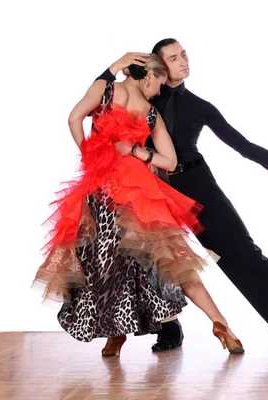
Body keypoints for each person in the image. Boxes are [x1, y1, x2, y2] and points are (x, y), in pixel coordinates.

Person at [95, 39, 268, 351]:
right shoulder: (140, 92)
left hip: (194, 184)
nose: (183, 61)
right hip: (149, 187)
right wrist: (113, 67)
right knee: (150, 260)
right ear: (158, 67)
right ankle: (169, 330)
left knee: (244, 254)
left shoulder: (200, 107)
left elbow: (243, 145)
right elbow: (95, 101)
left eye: (184, 55)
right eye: (174, 57)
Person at [32, 54, 244, 357]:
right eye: (159, 83)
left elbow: (73, 118)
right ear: (149, 75)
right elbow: (168, 162)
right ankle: (222, 324)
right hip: (143, 194)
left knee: (104, 266)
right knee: (174, 262)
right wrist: (135, 151)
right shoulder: (151, 113)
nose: (159, 91)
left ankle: (116, 336)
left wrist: (91, 155)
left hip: (103, 192)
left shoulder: (105, 91)